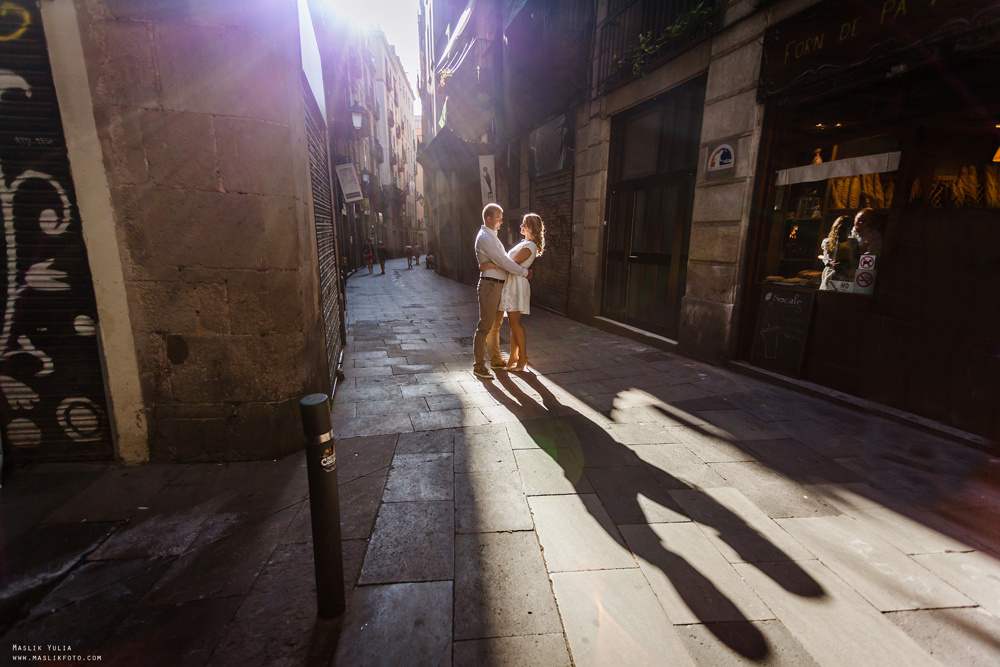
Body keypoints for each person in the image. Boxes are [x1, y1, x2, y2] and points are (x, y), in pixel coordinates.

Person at [472, 203, 530, 380]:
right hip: (490, 285)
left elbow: (502, 260)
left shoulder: (493, 237)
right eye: (498, 218)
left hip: (498, 285)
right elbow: (503, 261)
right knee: (485, 326)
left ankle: (496, 360)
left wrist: (495, 264)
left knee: (495, 326)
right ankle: (479, 366)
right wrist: (524, 272)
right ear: (488, 219)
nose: (501, 222)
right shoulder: (485, 238)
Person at [482, 213, 545, 371]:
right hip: (513, 283)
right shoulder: (525, 243)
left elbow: (510, 263)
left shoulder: (530, 246)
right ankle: (513, 357)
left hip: (517, 284)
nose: (521, 226)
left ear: (530, 227)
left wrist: (490, 265)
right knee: (512, 323)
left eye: (524, 224)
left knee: (515, 323)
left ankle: (523, 358)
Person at [818, 216, 851, 291]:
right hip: (831, 272)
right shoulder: (827, 242)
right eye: (841, 229)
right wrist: (829, 262)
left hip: (847, 273)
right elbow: (824, 257)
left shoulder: (852, 243)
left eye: (846, 229)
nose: (843, 232)